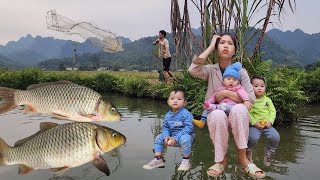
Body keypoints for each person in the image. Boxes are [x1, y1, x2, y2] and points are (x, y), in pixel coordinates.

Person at [188, 33, 265, 179]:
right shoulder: (211, 69)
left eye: (230, 43)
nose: (225, 46)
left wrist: (226, 94)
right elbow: (192, 70)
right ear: (217, 48)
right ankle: (221, 161)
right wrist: (211, 46)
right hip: (217, 113)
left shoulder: (241, 72)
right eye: (221, 43)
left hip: (238, 115)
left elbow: (251, 98)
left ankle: (243, 159)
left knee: (239, 108)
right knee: (217, 114)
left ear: (235, 50)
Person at [143, 89, 194, 171]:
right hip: (171, 137)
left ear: (185, 103)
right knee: (159, 138)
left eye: (179, 99)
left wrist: (175, 138)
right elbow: (166, 127)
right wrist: (166, 136)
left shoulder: (186, 114)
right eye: (172, 98)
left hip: (184, 137)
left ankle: (186, 161)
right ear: (168, 101)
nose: (175, 101)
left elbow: (189, 127)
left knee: (185, 138)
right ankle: (158, 159)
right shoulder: (167, 115)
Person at [192, 62, 252, 128]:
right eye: (228, 79)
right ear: (223, 80)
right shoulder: (220, 89)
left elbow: (243, 93)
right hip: (221, 108)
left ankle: (216, 108)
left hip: (232, 107)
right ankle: (202, 121)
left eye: (234, 80)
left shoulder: (238, 88)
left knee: (226, 106)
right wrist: (208, 103)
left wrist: (246, 100)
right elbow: (214, 97)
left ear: (238, 82)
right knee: (207, 108)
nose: (231, 81)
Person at [246, 75, 280, 166]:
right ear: (250, 87)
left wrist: (270, 121)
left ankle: (269, 152)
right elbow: (249, 113)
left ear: (265, 87)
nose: (259, 88)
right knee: (253, 138)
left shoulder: (268, 100)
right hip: (254, 125)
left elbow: (272, 111)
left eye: (262, 86)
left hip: (267, 124)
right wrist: (254, 122)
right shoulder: (249, 100)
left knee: (276, 137)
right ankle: (248, 152)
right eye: (256, 86)